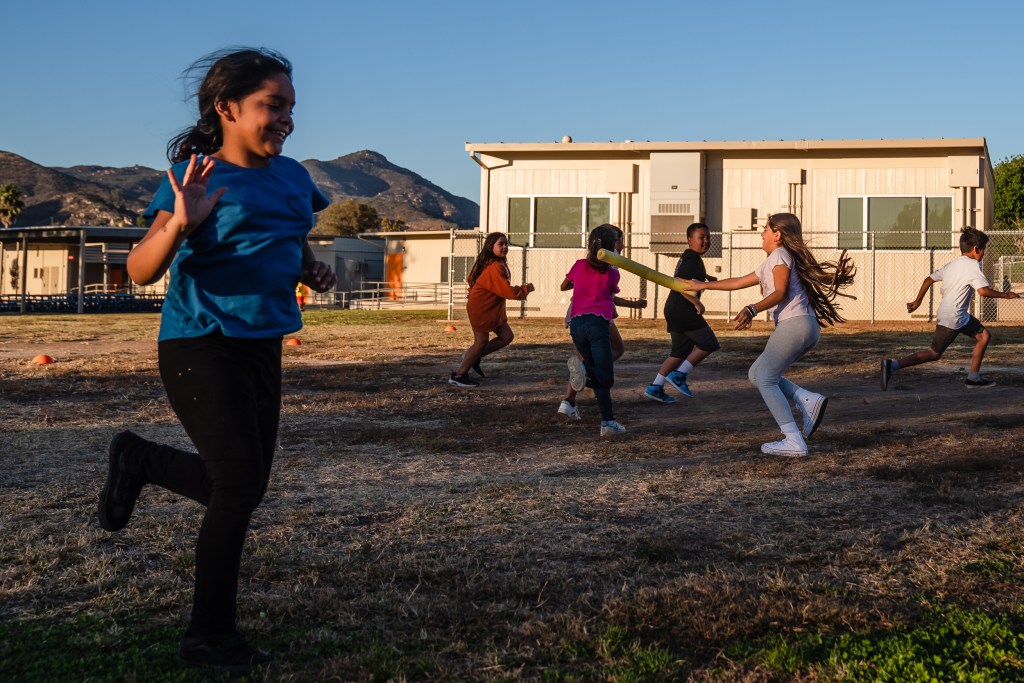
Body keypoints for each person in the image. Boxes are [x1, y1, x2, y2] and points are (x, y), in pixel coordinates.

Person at [96, 47, 336, 674]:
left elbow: (288, 232)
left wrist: (310, 265)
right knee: (235, 485)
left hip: (263, 345)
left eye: (290, 108)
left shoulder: (293, 178)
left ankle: (139, 458)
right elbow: (141, 269)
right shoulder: (192, 176)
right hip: (199, 342)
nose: (286, 119)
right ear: (226, 108)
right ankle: (208, 637)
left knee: (245, 485)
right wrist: (180, 223)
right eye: (272, 106)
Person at [686, 213, 855, 457]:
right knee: (757, 374)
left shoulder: (779, 255)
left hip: (795, 325)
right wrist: (701, 285)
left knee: (765, 377)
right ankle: (806, 399)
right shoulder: (775, 259)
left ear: (777, 235)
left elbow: (781, 293)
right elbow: (738, 282)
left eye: (765, 229)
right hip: (802, 327)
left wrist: (752, 308)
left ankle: (793, 440)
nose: (762, 233)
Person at [881, 227, 1020, 390]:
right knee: (934, 353)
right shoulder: (973, 266)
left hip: (958, 315)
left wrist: (917, 301)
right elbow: (982, 291)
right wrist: (1005, 295)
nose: (983, 254)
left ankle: (973, 378)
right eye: (983, 250)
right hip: (952, 318)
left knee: (984, 336)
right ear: (976, 249)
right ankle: (892, 365)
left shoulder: (952, 265)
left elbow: (928, 279)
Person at [558, 225, 646, 420]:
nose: (623, 244)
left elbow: (566, 286)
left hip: (582, 315)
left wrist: (581, 282)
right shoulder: (611, 263)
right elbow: (607, 293)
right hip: (594, 314)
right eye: (620, 240)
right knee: (588, 362)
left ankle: (572, 398)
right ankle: (576, 398)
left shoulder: (585, 262)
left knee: (605, 353)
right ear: (612, 243)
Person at [644, 222, 720, 404]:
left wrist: (706, 278)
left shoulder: (689, 257)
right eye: (701, 238)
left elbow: (687, 276)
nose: (706, 241)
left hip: (674, 309)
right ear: (689, 240)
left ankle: (655, 387)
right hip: (683, 310)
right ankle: (679, 375)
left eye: (708, 238)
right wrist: (696, 301)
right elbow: (678, 281)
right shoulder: (693, 258)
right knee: (709, 343)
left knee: (679, 352)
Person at [450, 232, 534, 387]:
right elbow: (507, 291)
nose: (504, 247)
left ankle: (472, 357)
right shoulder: (494, 266)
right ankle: (459, 375)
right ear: (490, 247)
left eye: (506, 244)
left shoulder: (491, 262)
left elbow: (472, 279)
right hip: (482, 308)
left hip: (492, 307)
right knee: (481, 342)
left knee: (506, 336)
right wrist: (525, 289)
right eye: (500, 244)